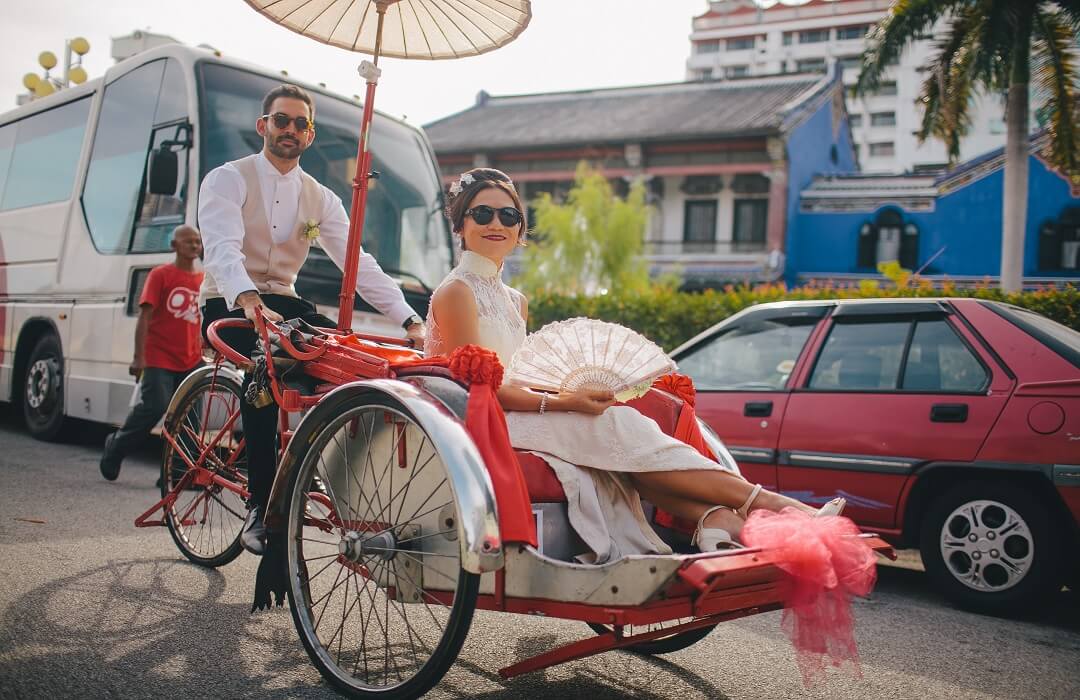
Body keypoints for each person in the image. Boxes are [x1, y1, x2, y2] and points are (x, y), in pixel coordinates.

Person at [425, 168, 844, 562]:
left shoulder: (516, 299)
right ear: (461, 225)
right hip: (483, 420)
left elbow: (523, 375)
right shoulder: (457, 291)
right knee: (621, 427)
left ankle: (714, 518)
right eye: (482, 213)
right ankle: (776, 506)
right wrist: (565, 403)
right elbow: (477, 387)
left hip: (525, 410)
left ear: (520, 228)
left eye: (508, 214)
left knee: (624, 435)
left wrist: (573, 397)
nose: (496, 223)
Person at [198, 84, 425, 556]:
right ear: (264, 126)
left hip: (282, 299)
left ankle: (321, 464)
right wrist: (245, 297)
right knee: (266, 371)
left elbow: (357, 264)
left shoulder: (320, 198)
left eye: (300, 124)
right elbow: (221, 247)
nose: (290, 130)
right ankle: (262, 506)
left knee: (345, 357)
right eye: (282, 120)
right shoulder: (228, 178)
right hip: (226, 297)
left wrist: (409, 319)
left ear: (311, 134)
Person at [100, 225, 205, 481]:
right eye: (188, 241)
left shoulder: (204, 279)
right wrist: (139, 357)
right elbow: (144, 317)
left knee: (190, 417)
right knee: (155, 406)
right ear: (174, 246)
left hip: (192, 358)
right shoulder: (161, 275)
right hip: (159, 357)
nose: (194, 246)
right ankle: (116, 446)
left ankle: (175, 472)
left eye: (198, 241)